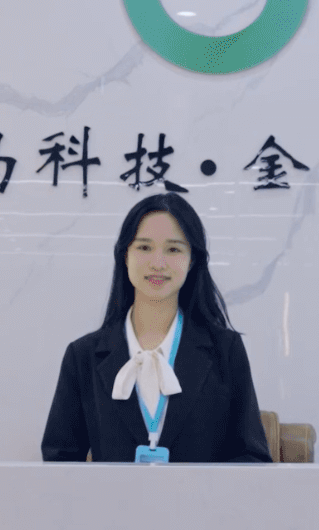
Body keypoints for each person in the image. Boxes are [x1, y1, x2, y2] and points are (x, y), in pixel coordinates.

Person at [39, 193, 272, 464]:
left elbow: (252, 458)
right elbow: (59, 462)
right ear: (125, 255)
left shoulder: (225, 350)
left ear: (192, 260)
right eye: (144, 247)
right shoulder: (83, 356)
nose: (158, 263)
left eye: (173, 249)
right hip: (111, 495)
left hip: (200, 494)